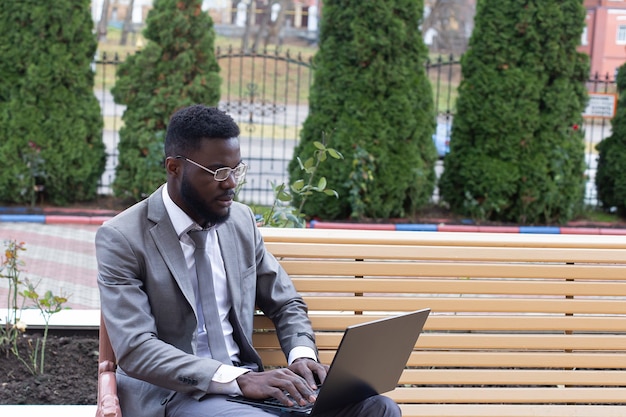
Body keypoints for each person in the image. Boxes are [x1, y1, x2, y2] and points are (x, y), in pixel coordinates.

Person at [95, 104, 402, 417]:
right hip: (177, 395)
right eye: (219, 172)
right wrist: (239, 380)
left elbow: (285, 302)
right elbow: (137, 350)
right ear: (174, 168)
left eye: (236, 170)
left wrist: (301, 355)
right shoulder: (123, 238)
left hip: (252, 392)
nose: (231, 184)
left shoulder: (239, 222)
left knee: (377, 408)